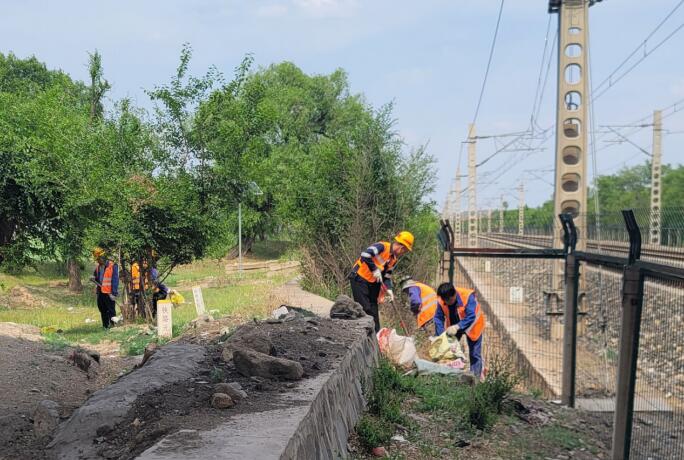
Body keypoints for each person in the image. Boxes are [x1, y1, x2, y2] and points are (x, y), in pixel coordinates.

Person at [349, 231, 414, 331]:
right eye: (404, 251)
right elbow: (365, 254)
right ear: (402, 247)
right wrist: (374, 269)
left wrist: (389, 289)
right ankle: (361, 333)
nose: (403, 253)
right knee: (365, 309)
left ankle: (376, 336)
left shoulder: (393, 259)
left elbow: (387, 276)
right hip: (359, 278)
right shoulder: (382, 246)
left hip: (372, 282)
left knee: (374, 312)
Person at [435, 282, 486, 378]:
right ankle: (453, 375)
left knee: (474, 353)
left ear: (454, 295)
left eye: (449, 301)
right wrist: (441, 335)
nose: (446, 303)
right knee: (451, 350)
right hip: (454, 325)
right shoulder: (441, 301)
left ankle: (474, 379)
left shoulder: (467, 296)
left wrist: (457, 327)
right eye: (444, 300)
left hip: (473, 325)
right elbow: (438, 318)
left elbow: (471, 316)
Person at [91, 247, 119, 329]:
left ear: (102, 257)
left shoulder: (112, 266)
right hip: (100, 292)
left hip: (109, 292)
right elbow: (96, 277)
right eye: (97, 259)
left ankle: (113, 325)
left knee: (111, 310)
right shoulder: (98, 267)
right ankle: (105, 326)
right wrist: (93, 278)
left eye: (98, 259)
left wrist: (113, 293)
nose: (97, 261)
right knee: (102, 309)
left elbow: (115, 280)